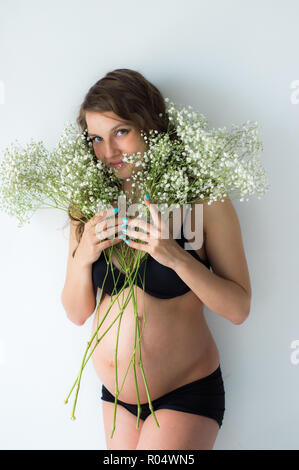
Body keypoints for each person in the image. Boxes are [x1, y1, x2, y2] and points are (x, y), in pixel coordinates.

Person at [61, 68, 252, 450]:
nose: (108, 152)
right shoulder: (89, 204)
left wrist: (175, 256)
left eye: (120, 132)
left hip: (185, 394)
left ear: (149, 125)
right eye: (96, 138)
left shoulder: (203, 199)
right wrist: (83, 257)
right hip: (116, 402)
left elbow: (238, 308)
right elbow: (76, 312)